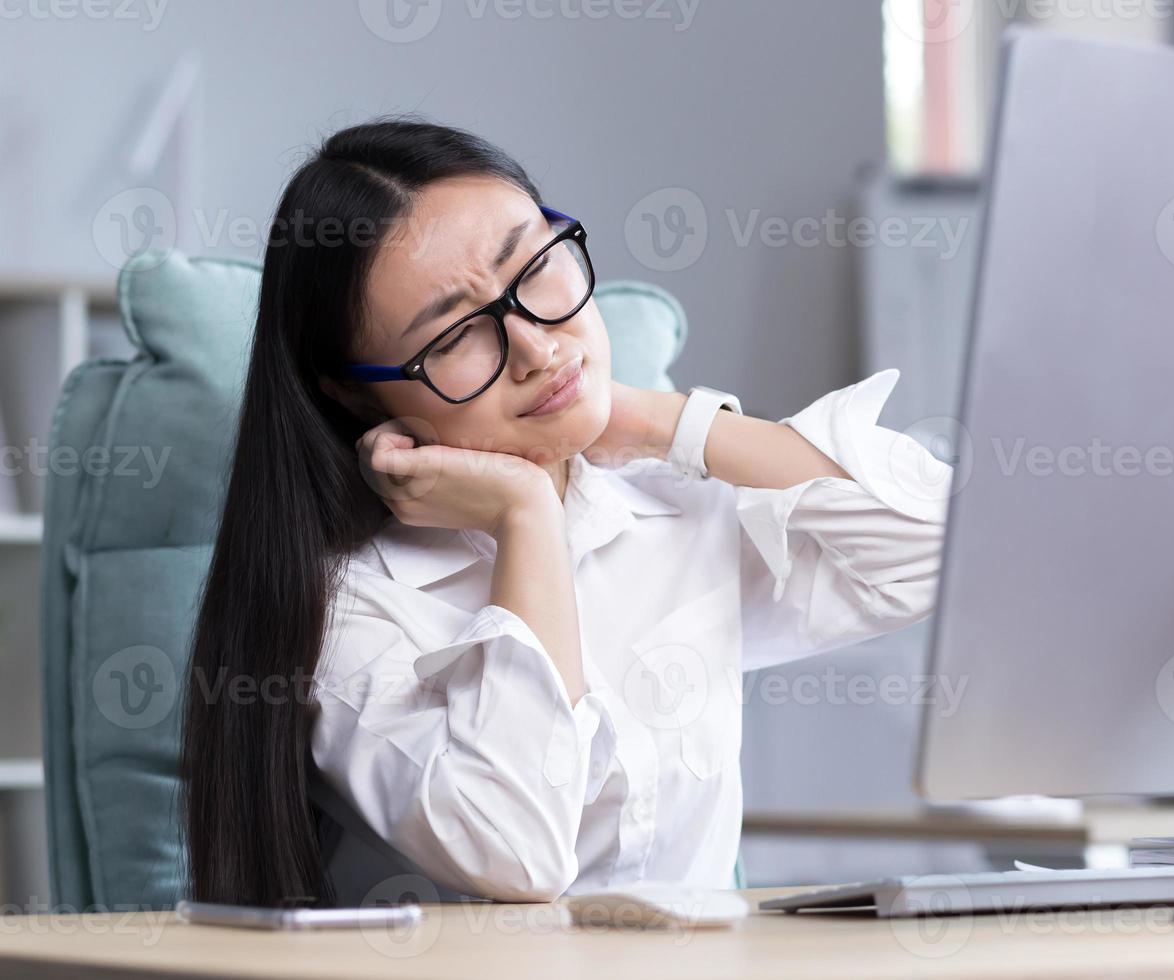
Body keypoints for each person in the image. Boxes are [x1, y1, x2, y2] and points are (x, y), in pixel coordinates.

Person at [182, 117, 954, 906]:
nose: (538, 348)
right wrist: (525, 519)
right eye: (453, 336)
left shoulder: (667, 507)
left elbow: (946, 552)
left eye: (535, 266)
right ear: (351, 392)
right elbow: (518, 857)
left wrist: (650, 418)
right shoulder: (349, 611)